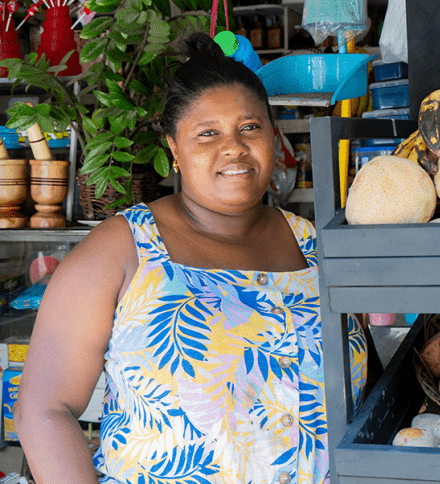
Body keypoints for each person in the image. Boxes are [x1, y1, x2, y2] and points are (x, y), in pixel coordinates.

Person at [14, 32, 372, 484]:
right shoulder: (123, 248)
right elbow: (44, 410)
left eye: (250, 127)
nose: (234, 148)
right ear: (174, 150)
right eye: (208, 133)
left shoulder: (319, 248)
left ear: (273, 135)